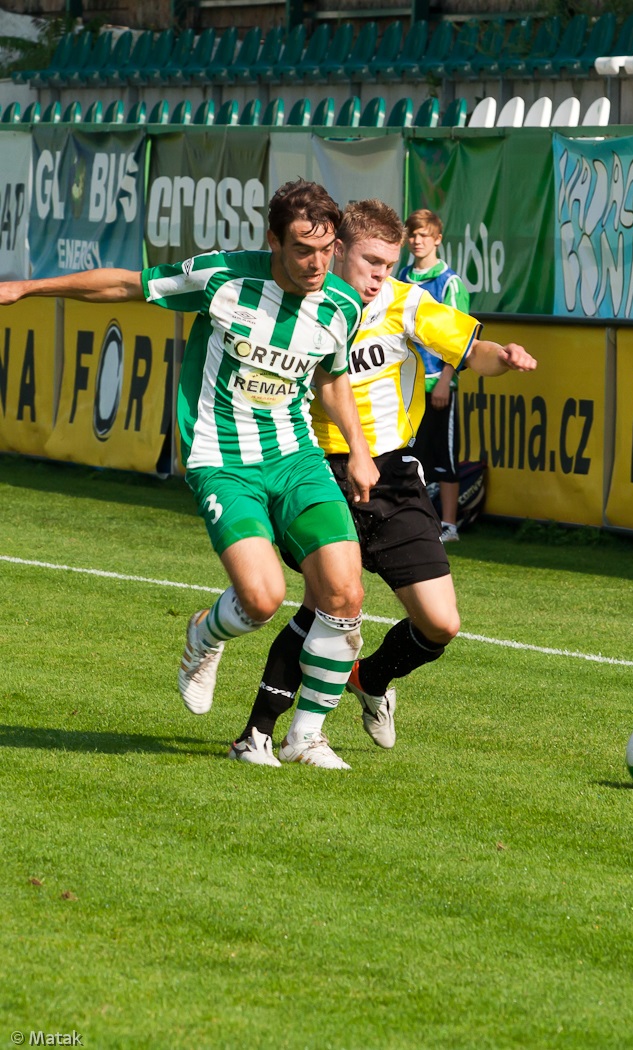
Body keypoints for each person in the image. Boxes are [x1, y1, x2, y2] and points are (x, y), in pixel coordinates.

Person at [0, 179, 379, 772]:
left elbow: (331, 378)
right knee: (262, 599)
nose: (318, 263)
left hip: (297, 457)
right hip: (222, 458)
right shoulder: (224, 278)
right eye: (304, 249)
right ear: (273, 240)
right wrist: (28, 286)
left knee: (345, 594)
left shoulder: (341, 303)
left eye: (327, 249)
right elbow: (126, 284)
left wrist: (358, 449)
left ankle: (306, 736)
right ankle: (205, 635)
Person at [230, 199, 537, 765]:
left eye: (389, 266)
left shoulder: (407, 304)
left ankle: (371, 679)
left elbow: (471, 351)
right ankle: (262, 734)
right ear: (338, 250)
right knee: (326, 603)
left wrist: (505, 355)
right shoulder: (304, 303)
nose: (380, 276)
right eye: (371, 261)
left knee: (441, 623)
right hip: (314, 466)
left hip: (393, 475)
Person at [398, 209, 471, 544]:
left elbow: (459, 338)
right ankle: (413, 521)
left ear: (437, 239)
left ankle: (449, 525)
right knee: (408, 455)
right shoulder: (400, 275)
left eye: (424, 235)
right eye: (412, 234)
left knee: (444, 456)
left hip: (435, 383)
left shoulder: (450, 283)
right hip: (403, 384)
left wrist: (445, 379)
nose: (417, 241)